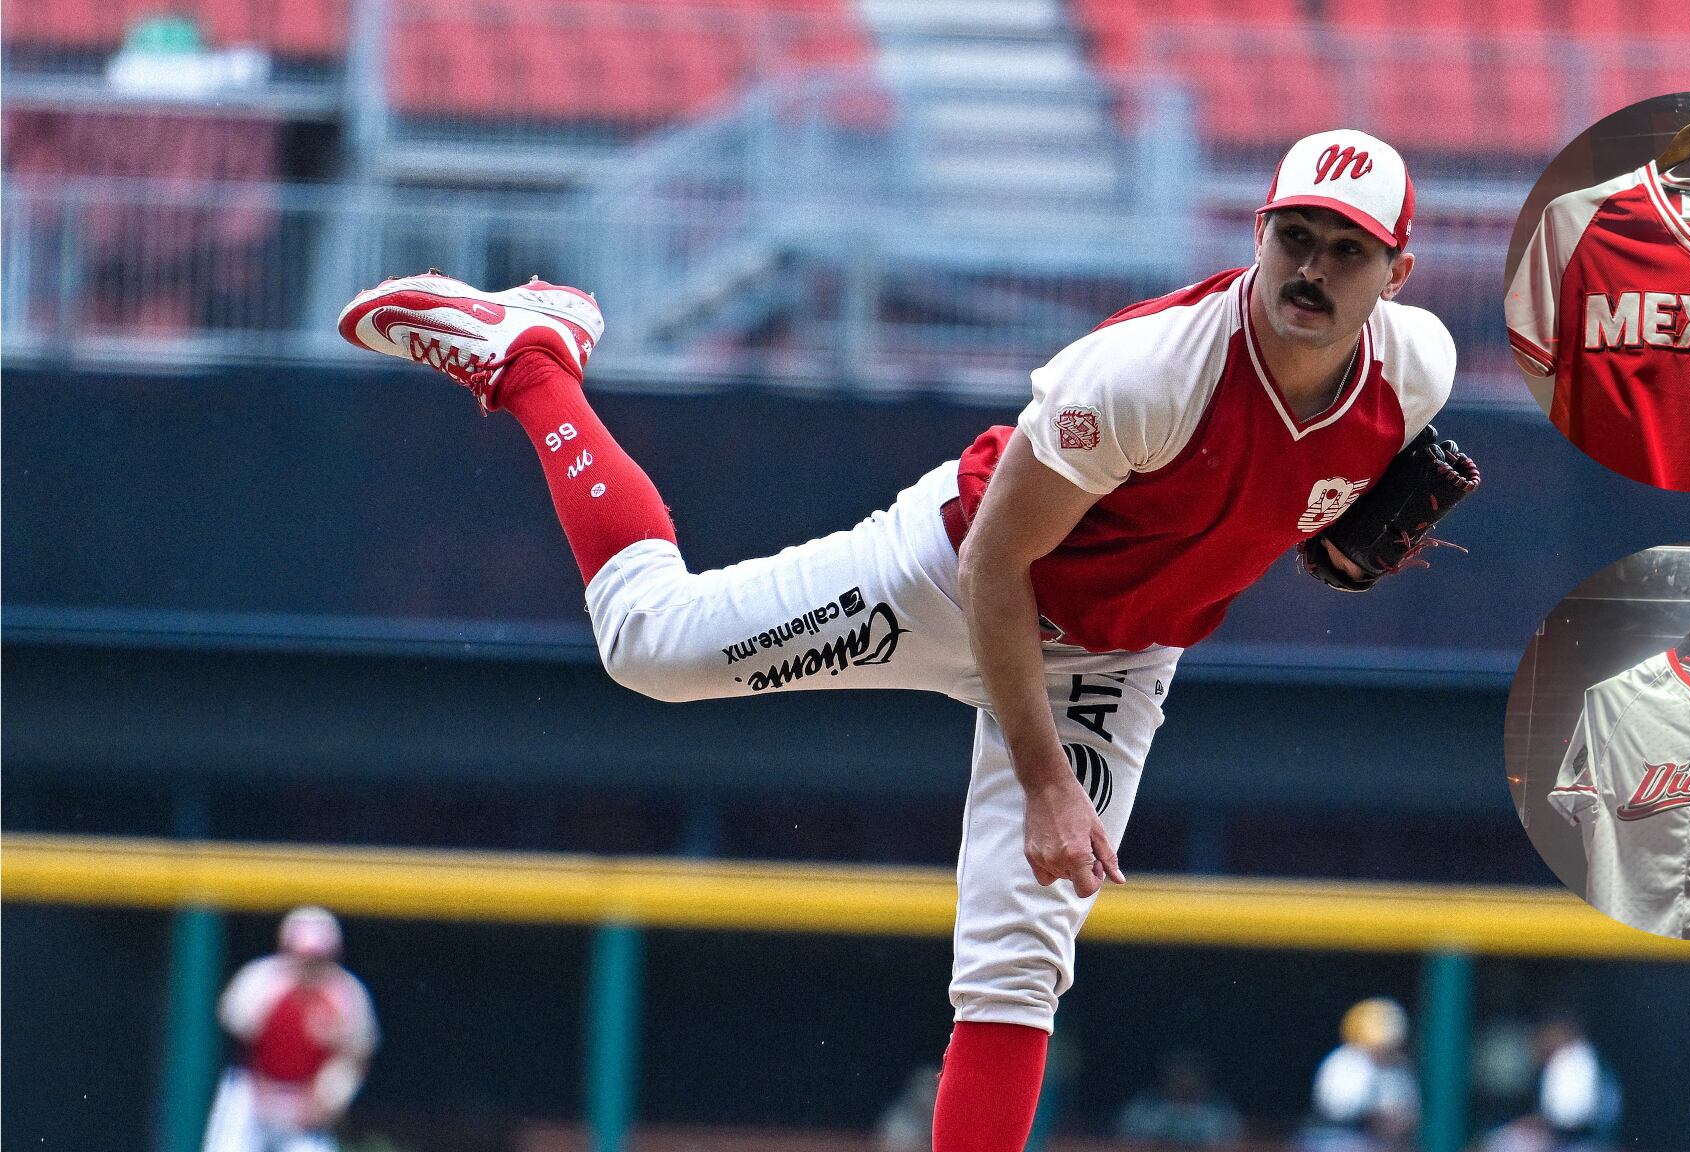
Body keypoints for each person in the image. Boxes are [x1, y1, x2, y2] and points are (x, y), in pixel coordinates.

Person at [338, 128, 1462, 1152]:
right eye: (1294, 236)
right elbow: (996, 566)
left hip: (1117, 650)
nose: (1311, 268)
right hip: (954, 573)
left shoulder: (1415, 370)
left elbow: (1318, 479)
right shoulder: (1144, 375)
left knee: (1022, 964)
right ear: (1257, 234)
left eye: (1346, 252)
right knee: (645, 642)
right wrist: (1043, 783)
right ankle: (532, 358)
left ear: (1394, 276)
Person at [203, 907, 379, 1152]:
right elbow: (234, 1035)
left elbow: (356, 1056)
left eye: (318, 958)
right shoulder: (260, 981)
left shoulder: (347, 994)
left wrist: (328, 1100)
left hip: (305, 1105)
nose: (309, 966)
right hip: (252, 1096)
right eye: (302, 956)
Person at [1299, 997, 1419, 1152]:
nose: (1384, 1049)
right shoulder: (1346, 1062)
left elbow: (1406, 1115)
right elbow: (1339, 1112)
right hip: (1337, 1138)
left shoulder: (1399, 1069)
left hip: (1382, 1142)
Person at [1113, 1050, 1246, 1147]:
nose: (1184, 1079)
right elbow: (1122, 1142)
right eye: (1179, 1072)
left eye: (1191, 1071)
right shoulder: (1142, 1109)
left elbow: (1235, 1143)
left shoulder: (1221, 1112)